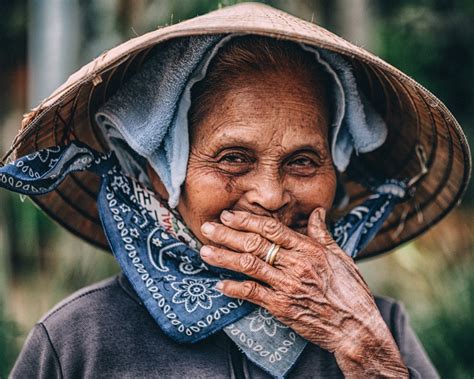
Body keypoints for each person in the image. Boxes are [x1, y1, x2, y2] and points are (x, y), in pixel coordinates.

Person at [2, 3, 470, 378]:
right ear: (166, 173)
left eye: (303, 162)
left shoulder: (381, 330)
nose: (270, 196)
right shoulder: (78, 342)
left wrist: (365, 352)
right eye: (233, 158)